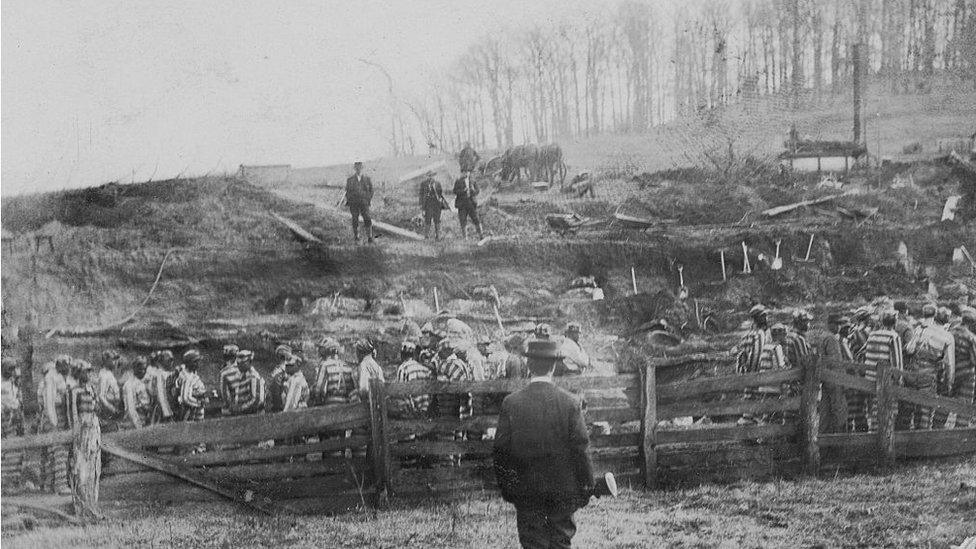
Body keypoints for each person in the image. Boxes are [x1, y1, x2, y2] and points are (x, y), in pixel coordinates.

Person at [494, 339, 594, 549]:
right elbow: (581, 449)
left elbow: (501, 452)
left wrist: (508, 489)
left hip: (526, 491)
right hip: (563, 491)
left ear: (529, 366)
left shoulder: (511, 403)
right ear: (554, 366)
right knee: (560, 542)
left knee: (532, 544)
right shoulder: (570, 403)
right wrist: (586, 486)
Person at [905, 303, 955, 429]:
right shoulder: (948, 337)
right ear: (947, 320)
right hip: (928, 376)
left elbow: (909, 350)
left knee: (908, 408)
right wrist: (949, 383)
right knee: (924, 410)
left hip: (912, 372)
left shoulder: (921, 329)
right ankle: (921, 441)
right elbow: (949, 364)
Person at [860, 311, 903, 432]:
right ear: (895, 322)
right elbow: (897, 363)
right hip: (886, 381)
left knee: (874, 410)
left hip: (870, 379)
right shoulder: (893, 337)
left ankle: (874, 435)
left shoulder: (872, 335)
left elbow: (863, 354)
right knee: (889, 411)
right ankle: (885, 438)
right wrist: (898, 381)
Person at [38, 355, 72, 493]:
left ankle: (49, 485)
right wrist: (54, 423)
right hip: (54, 418)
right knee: (58, 451)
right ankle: (60, 484)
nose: (68, 368)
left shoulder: (62, 376)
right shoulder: (50, 377)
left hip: (63, 417)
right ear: (59, 364)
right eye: (66, 365)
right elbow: (49, 403)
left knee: (59, 451)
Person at [813, 313, 851, 433]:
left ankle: (824, 440)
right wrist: (843, 382)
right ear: (830, 325)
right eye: (836, 324)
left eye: (840, 324)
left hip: (825, 379)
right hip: (835, 380)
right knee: (839, 411)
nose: (839, 326)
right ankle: (838, 441)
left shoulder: (822, 336)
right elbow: (836, 363)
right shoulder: (831, 339)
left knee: (825, 412)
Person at [311, 337, 359, 406]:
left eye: (322, 350)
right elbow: (353, 389)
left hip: (330, 405)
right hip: (346, 405)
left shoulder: (325, 365)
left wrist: (318, 402)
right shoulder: (346, 365)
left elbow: (319, 390)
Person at [951, 307, 976, 427]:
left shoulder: (950, 332)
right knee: (965, 406)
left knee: (943, 405)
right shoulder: (971, 337)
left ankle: (937, 430)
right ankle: (960, 434)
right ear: (972, 322)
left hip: (950, 373)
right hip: (967, 375)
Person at [734, 304, 770, 374]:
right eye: (763, 316)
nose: (765, 319)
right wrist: (752, 376)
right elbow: (756, 357)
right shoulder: (759, 334)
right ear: (756, 318)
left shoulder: (746, 334)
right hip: (753, 375)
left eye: (765, 316)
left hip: (743, 373)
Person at [345, 161, 374, 244]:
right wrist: (351, 201)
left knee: (367, 219)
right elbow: (348, 192)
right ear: (355, 169)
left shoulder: (367, 179)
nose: (358, 169)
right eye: (357, 168)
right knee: (355, 219)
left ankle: (370, 237)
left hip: (364, 203)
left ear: (362, 168)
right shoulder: (350, 180)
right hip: (354, 203)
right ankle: (356, 237)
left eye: (360, 167)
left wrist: (368, 199)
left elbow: (371, 191)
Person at [229, 350, 265, 415]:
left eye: (243, 363)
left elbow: (257, 400)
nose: (240, 365)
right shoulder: (241, 375)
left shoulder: (253, 376)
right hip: (244, 413)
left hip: (254, 414)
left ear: (249, 362)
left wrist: (240, 408)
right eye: (238, 363)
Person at [94, 350, 122, 431]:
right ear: (106, 360)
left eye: (116, 360)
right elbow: (101, 396)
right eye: (113, 359)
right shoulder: (103, 375)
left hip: (112, 407)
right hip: (107, 410)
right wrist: (112, 409)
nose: (116, 362)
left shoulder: (109, 373)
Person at [121, 357, 152, 429]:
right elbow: (130, 408)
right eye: (140, 369)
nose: (143, 371)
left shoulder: (142, 382)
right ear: (134, 368)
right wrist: (138, 427)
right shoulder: (129, 384)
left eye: (145, 369)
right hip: (133, 423)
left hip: (144, 419)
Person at [148, 350, 178, 424]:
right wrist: (167, 413)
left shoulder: (166, 373)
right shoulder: (158, 374)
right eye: (169, 360)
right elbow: (161, 395)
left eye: (172, 360)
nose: (171, 362)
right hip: (161, 408)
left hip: (170, 404)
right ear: (162, 361)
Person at [452, 170, 484, 240]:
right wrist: (463, 190)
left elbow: (478, 190)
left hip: (471, 203)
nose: (466, 173)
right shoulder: (458, 181)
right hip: (462, 204)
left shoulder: (473, 181)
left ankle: (481, 236)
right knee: (463, 221)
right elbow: (454, 191)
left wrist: (473, 191)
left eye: (467, 172)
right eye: (464, 172)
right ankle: (465, 238)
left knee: (476, 219)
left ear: (469, 173)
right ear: (461, 173)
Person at [178, 350, 207, 422]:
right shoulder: (187, 377)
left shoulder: (191, 373)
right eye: (195, 361)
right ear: (189, 363)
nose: (198, 364)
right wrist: (199, 403)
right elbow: (185, 398)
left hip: (195, 410)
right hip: (191, 412)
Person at [418, 170, 446, 240]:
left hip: (436, 204)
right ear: (427, 176)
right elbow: (421, 195)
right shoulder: (423, 184)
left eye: (432, 175)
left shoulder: (437, 183)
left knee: (437, 220)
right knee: (428, 219)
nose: (431, 177)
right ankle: (426, 236)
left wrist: (440, 200)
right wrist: (421, 205)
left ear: (434, 176)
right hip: (428, 204)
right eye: (429, 175)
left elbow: (441, 193)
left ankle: (438, 236)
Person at [267, 344, 292, 413]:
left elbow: (275, 390)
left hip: (280, 405)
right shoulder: (283, 371)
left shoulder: (277, 371)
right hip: (284, 405)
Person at [1, 358, 23, 438]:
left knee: (13, 434)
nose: (10, 371)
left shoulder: (13, 381)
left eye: (13, 368)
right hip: (3, 413)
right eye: (9, 368)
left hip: (13, 411)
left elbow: (16, 394)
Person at [218, 344, 241, 416]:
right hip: (243, 404)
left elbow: (224, 394)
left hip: (232, 408)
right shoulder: (243, 368)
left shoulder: (224, 373)